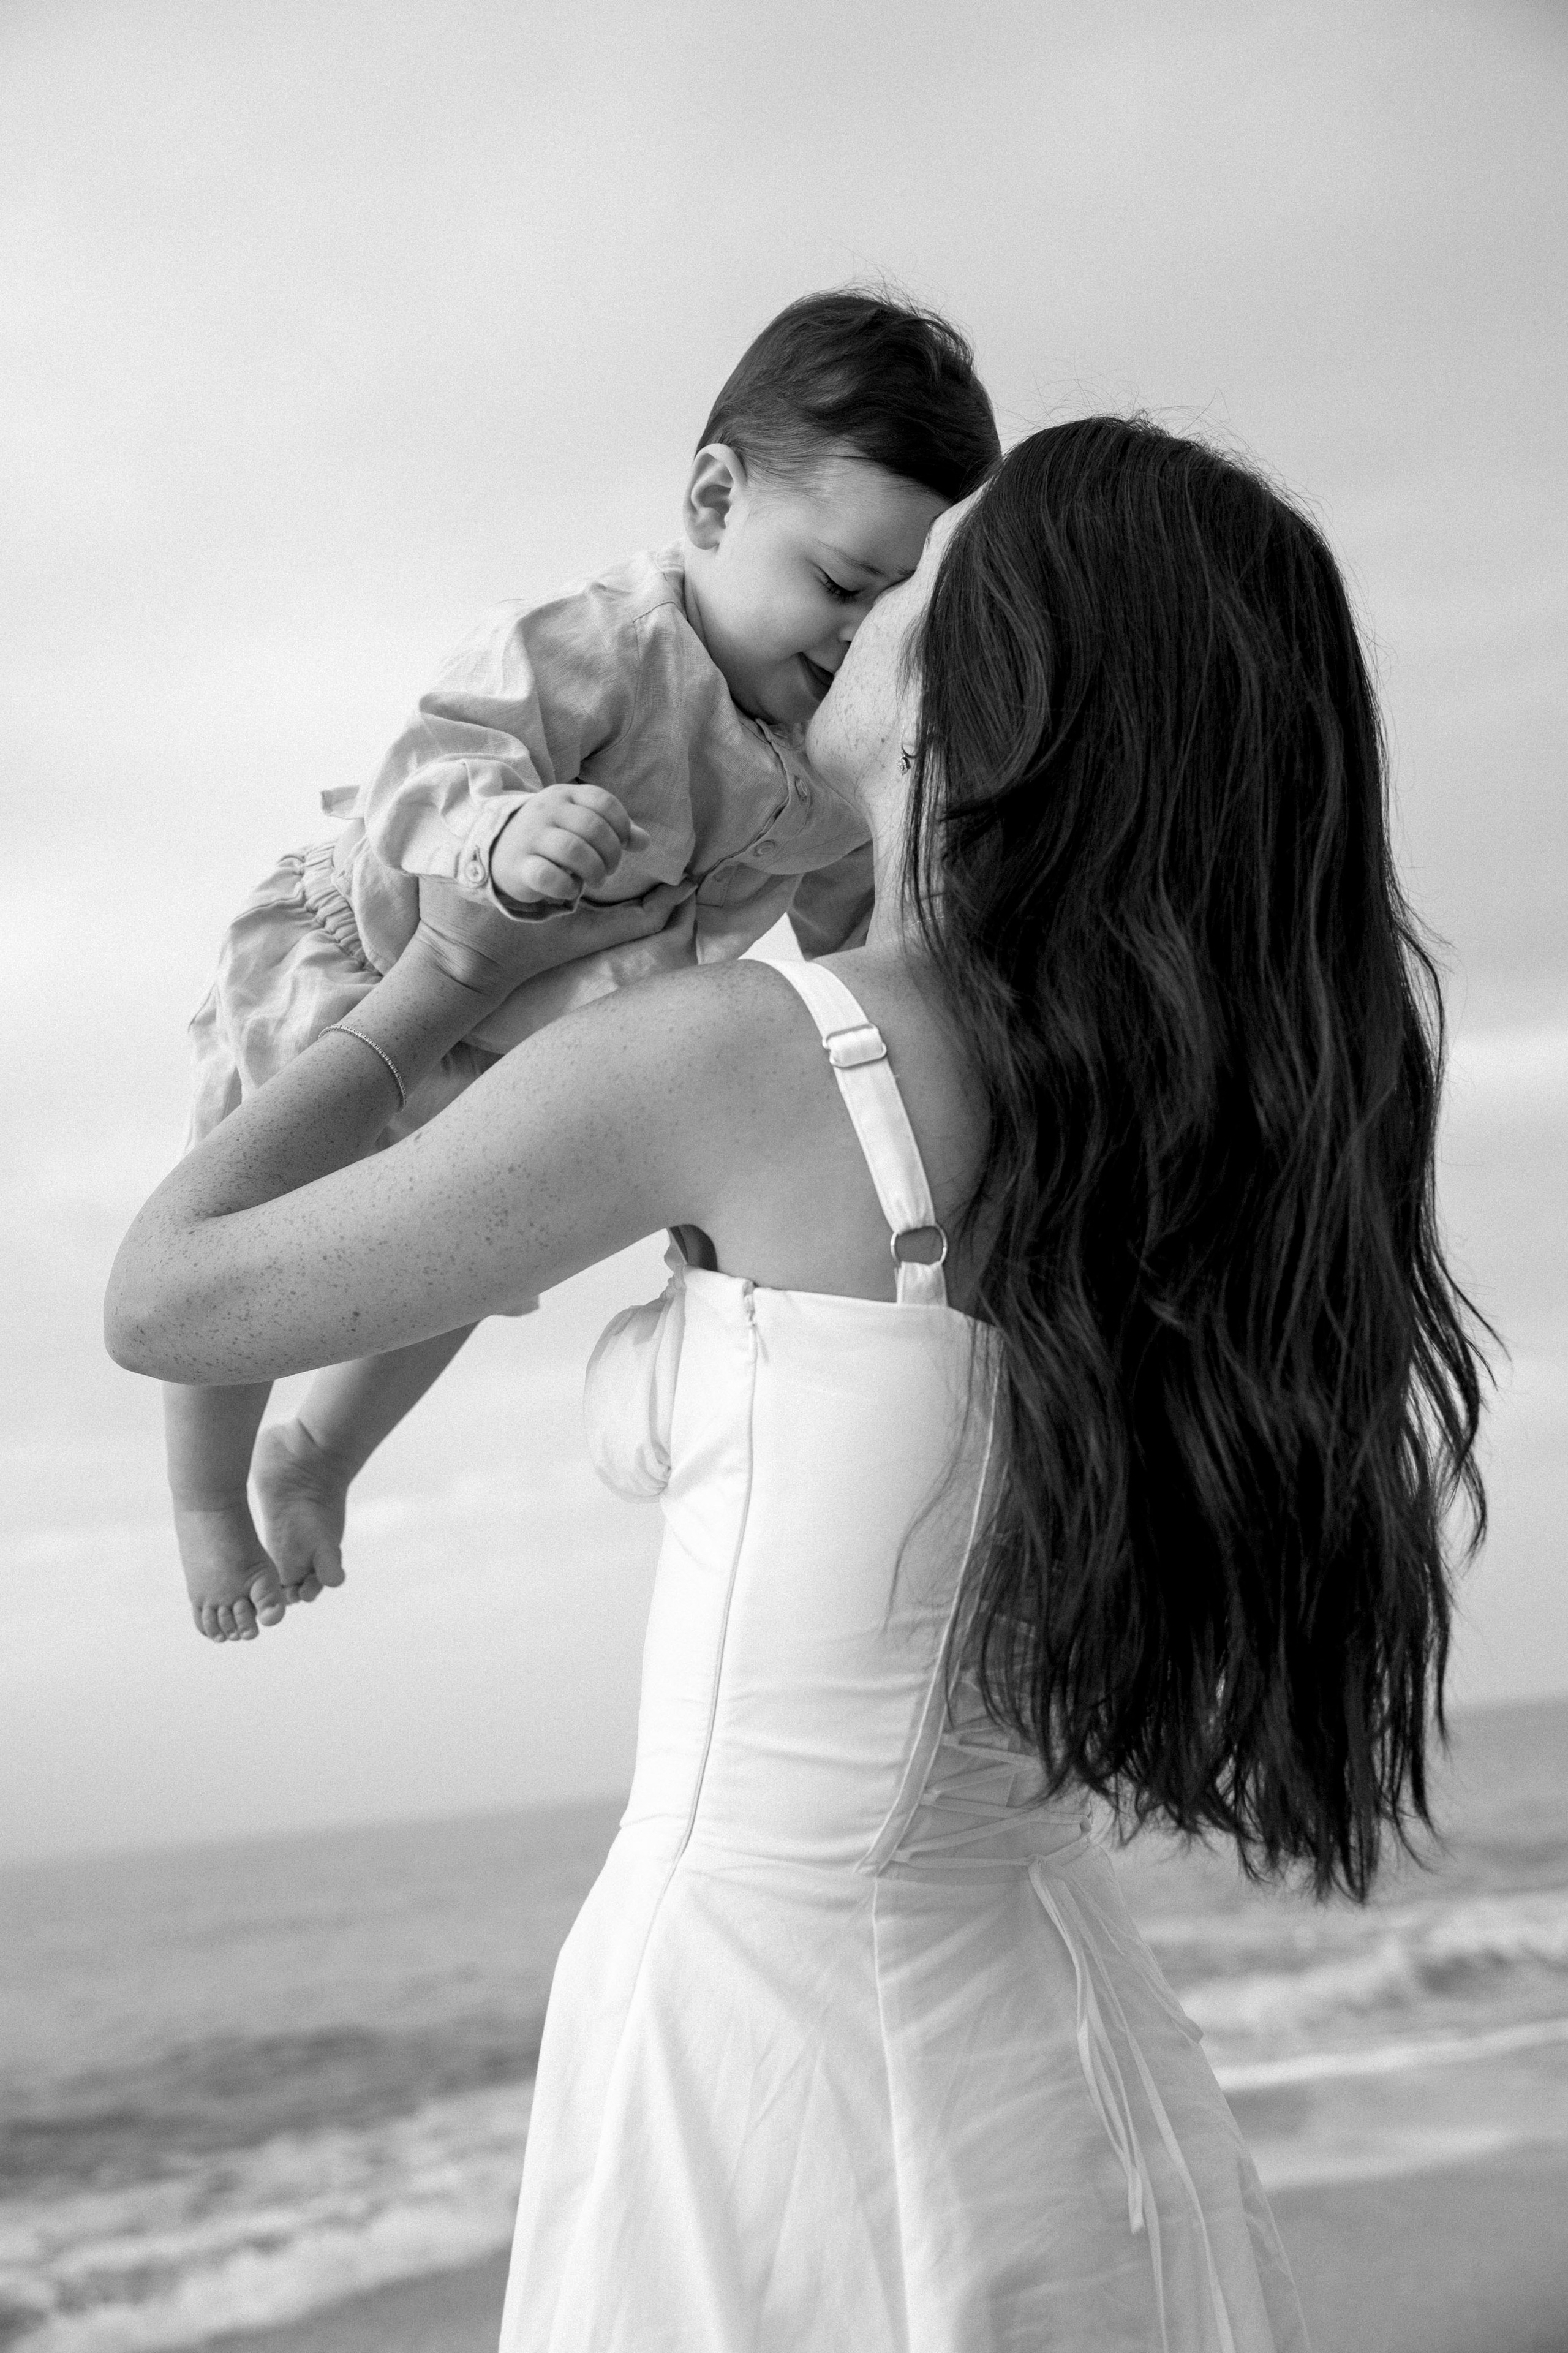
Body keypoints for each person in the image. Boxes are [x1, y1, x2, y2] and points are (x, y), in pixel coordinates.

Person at [108, 417, 1489, 2351]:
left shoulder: (752, 1060)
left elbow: (171, 1299)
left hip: (768, 2070)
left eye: (929, 578)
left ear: (981, 693)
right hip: (1061, 2058)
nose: (876, 604)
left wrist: (440, 975)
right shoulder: (1176, 1141)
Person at [164, 289, 1000, 1642]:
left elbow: (854, 942)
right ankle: (208, 1497)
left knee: (466, 1253)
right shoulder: (605, 644)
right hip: (366, 967)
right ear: (717, 503)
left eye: (901, 611)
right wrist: (502, 835)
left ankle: (318, 1452)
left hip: (516, 1050)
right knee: (252, 1238)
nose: (859, 636)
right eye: (842, 584)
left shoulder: (833, 770)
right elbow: (432, 765)